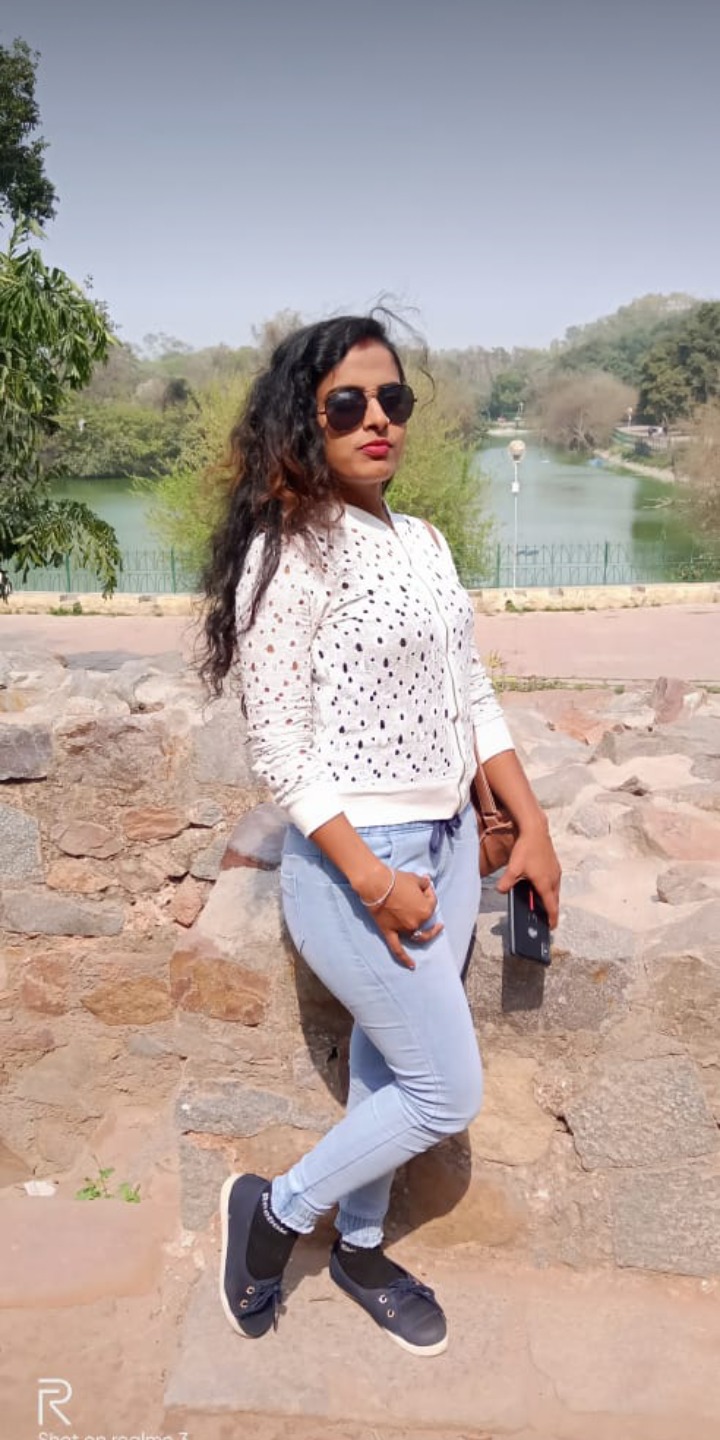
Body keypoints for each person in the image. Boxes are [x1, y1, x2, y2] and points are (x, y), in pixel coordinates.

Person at [200, 313, 561, 1357]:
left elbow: (472, 693)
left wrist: (530, 824)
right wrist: (370, 879)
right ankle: (274, 1213)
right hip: (361, 867)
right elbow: (279, 749)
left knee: (388, 1068)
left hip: (447, 850)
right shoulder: (291, 552)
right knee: (446, 1090)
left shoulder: (423, 541)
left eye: (392, 400)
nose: (376, 421)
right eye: (347, 403)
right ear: (302, 420)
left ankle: (359, 1250)